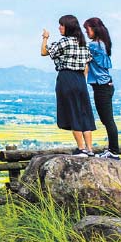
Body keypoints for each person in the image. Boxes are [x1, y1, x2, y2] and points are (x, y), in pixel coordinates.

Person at [41, 14, 96, 156]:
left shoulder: (64, 42)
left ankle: (81, 148)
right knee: (84, 113)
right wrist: (81, 79)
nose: (59, 27)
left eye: (62, 25)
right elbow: (86, 65)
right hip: (80, 79)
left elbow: (44, 52)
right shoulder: (83, 43)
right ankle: (90, 149)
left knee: (73, 112)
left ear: (68, 27)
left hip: (66, 77)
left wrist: (45, 38)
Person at [84, 17, 120, 159]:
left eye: (88, 30)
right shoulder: (103, 44)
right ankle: (112, 149)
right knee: (107, 119)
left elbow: (81, 49)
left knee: (108, 120)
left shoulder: (94, 46)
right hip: (105, 85)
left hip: (101, 87)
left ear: (94, 29)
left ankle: (114, 151)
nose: (86, 33)